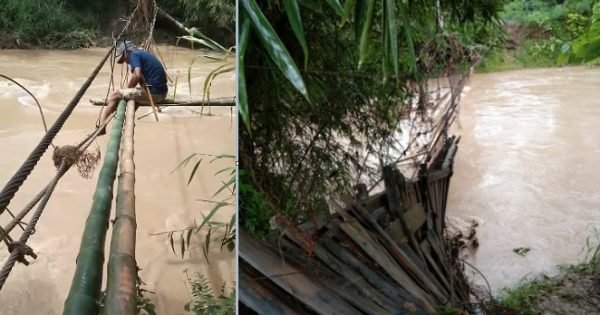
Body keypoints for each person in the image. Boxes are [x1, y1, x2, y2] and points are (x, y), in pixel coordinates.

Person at [97, 40, 168, 135]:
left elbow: (137, 76)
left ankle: (101, 127)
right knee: (129, 99)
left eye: (124, 58)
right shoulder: (142, 53)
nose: (126, 62)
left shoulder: (134, 55)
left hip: (154, 94)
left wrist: (127, 89)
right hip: (162, 93)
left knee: (115, 95)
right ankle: (126, 124)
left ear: (127, 52)